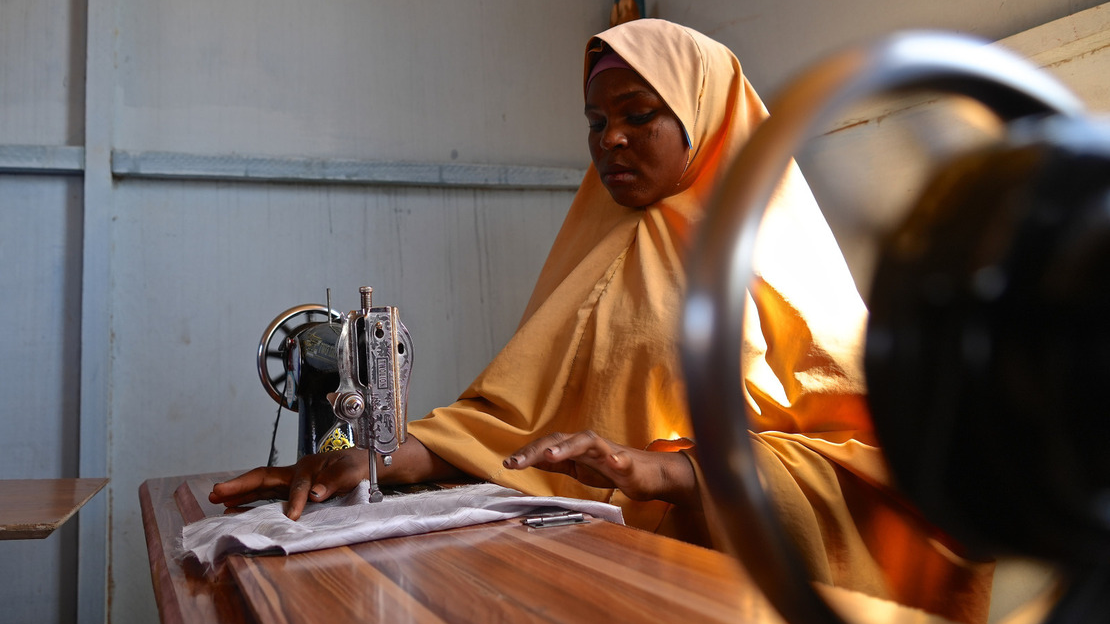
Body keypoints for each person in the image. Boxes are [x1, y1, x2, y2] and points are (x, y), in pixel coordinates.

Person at [211, 18, 992, 624]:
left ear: (703, 119)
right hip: (602, 575)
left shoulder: (774, 256)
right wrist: (382, 460)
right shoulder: (598, 252)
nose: (608, 139)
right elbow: (521, 424)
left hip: (726, 590)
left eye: (638, 114)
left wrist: (671, 473)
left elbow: (876, 465)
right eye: (594, 121)